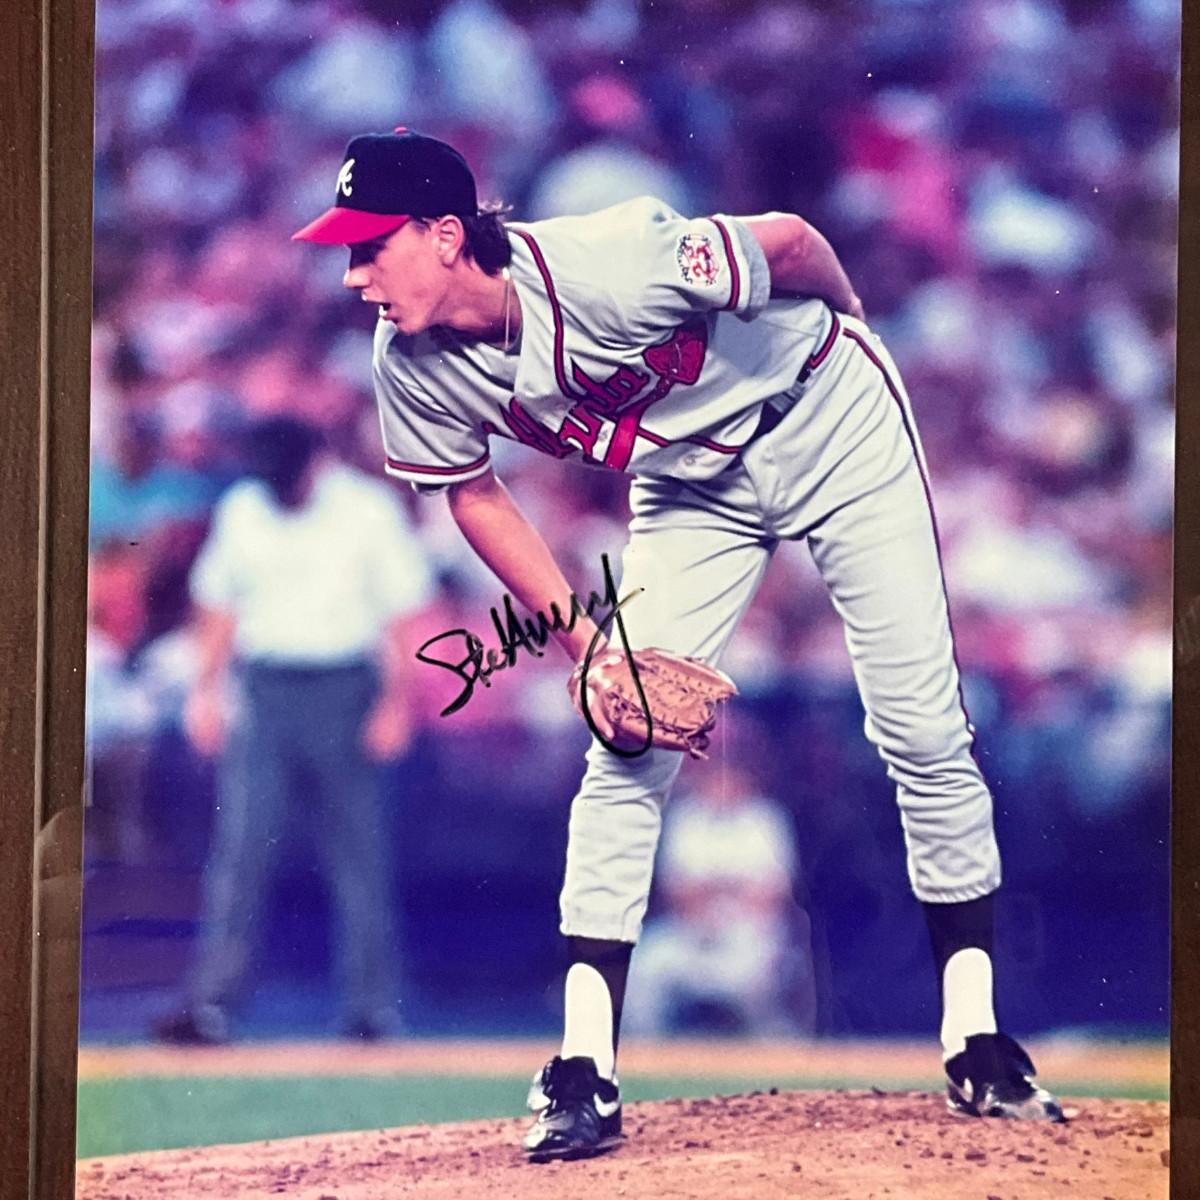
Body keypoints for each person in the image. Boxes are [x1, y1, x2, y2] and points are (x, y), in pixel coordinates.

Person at [292, 129, 1065, 1156]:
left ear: (444, 235)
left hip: (830, 421)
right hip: (693, 482)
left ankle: (976, 1037)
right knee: (624, 738)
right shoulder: (411, 362)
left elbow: (791, 243)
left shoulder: (609, 262)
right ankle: (583, 1067)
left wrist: (853, 326)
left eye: (370, 246)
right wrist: (589, 648)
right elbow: (473, 496)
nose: (354, 276)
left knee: (921, 728)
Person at [155, 416, 432, 1043]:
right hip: (266, 689)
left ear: (317, 461)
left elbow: (403, 614)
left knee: (359, 855)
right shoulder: (244, 508)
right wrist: (205, 691)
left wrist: (397, 703)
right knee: (242, 850)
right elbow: (219, 604)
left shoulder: (368, 510)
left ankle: (370, 1008)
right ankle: (212, 1005)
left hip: (346, 689)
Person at [621, 760, 815, 1039]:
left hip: (751, 931)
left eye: (730, 777)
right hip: (690, 930)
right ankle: (645, 1050)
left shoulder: (766, 818)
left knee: (757, 978)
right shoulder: (686, 818)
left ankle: (774, 1050)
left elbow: (774, 892)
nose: (722, 785)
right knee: (645, 964)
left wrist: (712, 889)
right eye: (714, 777)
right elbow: (677, 890)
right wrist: (733, 888)